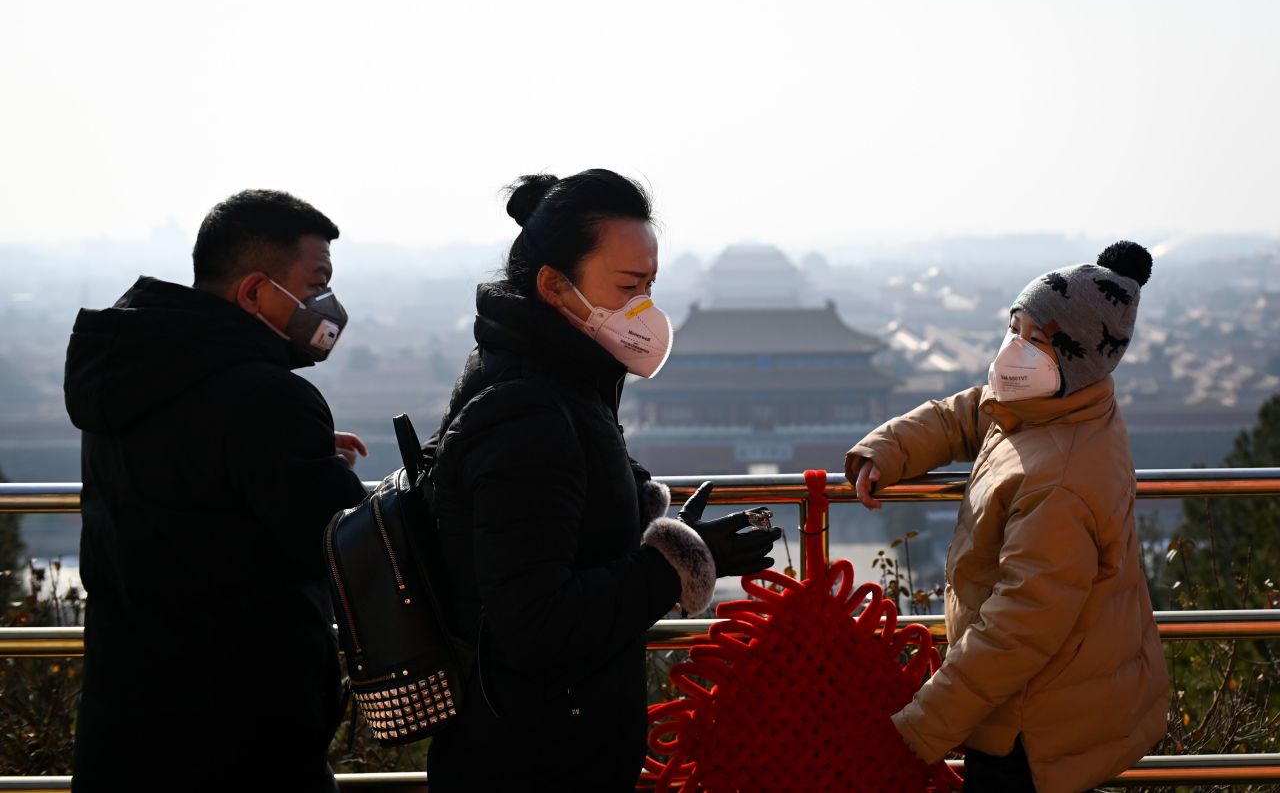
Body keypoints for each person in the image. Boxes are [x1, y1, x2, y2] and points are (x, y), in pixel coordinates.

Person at [425, 170, 781, 791]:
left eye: (649, 285)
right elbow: (535, 624)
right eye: (626, 286)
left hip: (549, 740)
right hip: (532, 756)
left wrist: (655, 525)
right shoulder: (527, 411)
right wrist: (683, 560)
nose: (644, 309)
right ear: (554, 287)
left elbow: (565, 531)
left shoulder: (552, 376)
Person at [64, 190, 370, 792]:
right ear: (255, 291)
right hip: (243, 734)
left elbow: (188, 465)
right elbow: (338, 543)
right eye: (315, 285)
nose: (325, 306)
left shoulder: (132, 372)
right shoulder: (267, 399)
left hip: (124, 724)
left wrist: (290, 445)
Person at [844, 241, 1168, 793]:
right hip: (1037, 698)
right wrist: (889, 449)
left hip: (1033, 729)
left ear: (1075, 356)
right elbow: (972, 414)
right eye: (1015, 328)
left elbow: (1019, 627)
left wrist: (930, 720)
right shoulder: (1059, 405)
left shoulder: (1063, 481)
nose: (1014, 350)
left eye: (1035, 339)